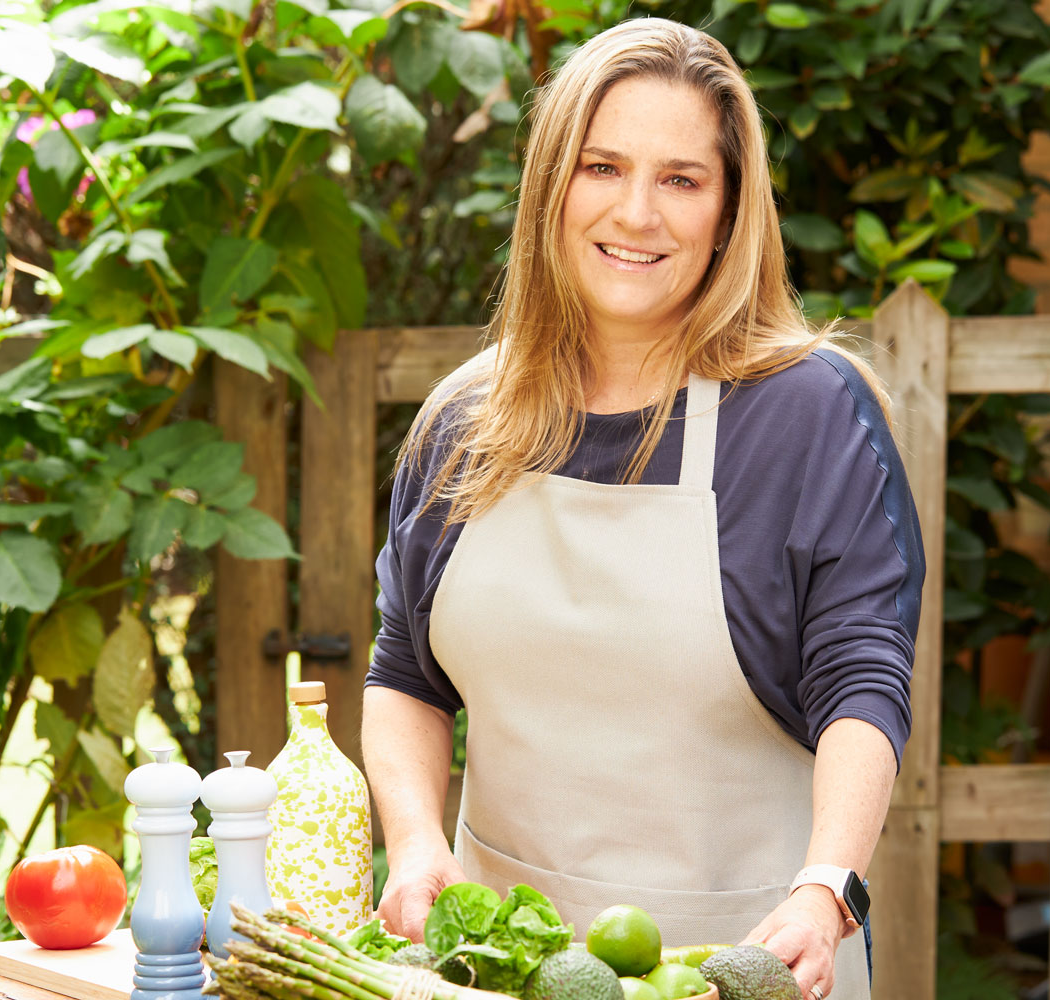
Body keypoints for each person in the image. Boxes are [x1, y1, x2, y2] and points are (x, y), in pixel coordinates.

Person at [361, 17, 922, 1000]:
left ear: (729, 208)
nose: (637, 213)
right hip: (501, 975)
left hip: (748, 970)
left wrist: (826, 890)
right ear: (550, 189)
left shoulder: (808, 414)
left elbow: (863, 676)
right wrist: (412, 847)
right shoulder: (464, 418)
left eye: (681, 179)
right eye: (601, 167)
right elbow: (404, 671)